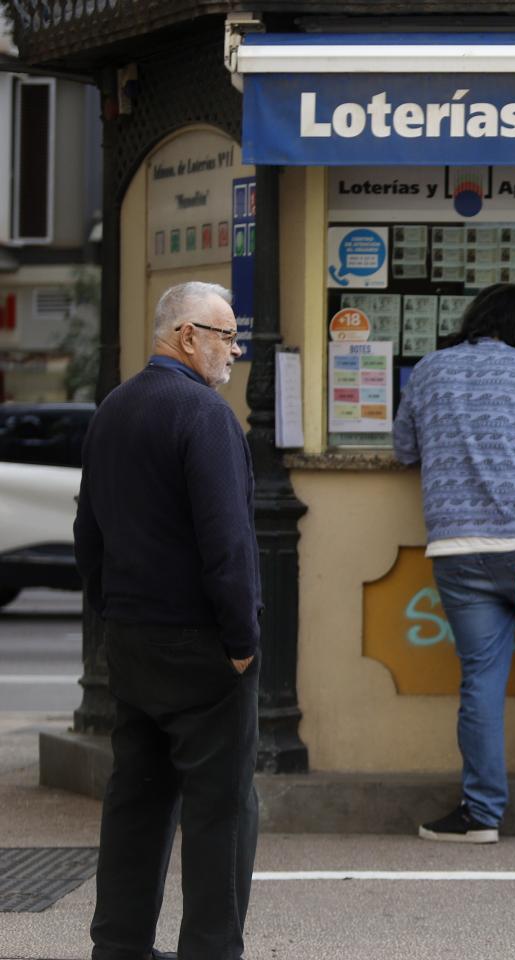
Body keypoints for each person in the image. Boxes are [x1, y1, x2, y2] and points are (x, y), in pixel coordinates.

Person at [75, 281, 259, 960]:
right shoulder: (204, 415)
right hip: (202, 643)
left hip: (131, 636)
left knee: (137, 800)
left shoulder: (114, 410)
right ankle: (210, 950)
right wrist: (241, 641)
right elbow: (229, 543)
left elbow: (87, 530)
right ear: (188, 336)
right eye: (226, 336)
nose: (234, 351)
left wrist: (108, 613)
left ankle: (118, 945)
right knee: (222, 809)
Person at [393, 283, 515, 843]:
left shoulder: (429, 370)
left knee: (481, 680)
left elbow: (403, 448)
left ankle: (481, 812)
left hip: (455, 548)